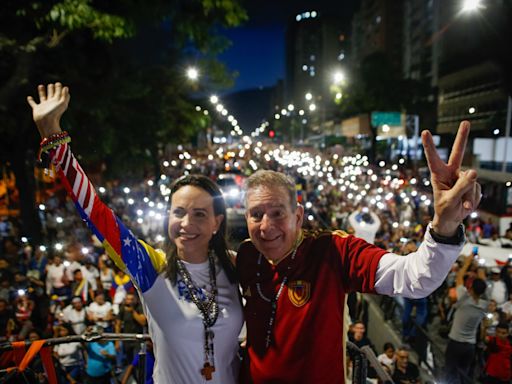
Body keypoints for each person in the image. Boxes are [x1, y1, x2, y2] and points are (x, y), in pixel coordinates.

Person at [27, 83, 243, 383]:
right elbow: (97, 215)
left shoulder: (237, 265)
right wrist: (53, 135)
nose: (186, 223)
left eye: (200, 214)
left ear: (217, 222)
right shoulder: (152, 267)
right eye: (178, 212)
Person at [236, 119, 480, 382]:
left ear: (298, 216)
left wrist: (445, 226)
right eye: (256, 214)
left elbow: (414, 278)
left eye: (277, 213)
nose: (266, 226)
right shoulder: (247, 256)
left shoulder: (334, 250)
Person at [444, 253, 488, 384]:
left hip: (455, 343)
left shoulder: (464, 299)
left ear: (471, 288)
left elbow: (459, 278)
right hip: (470, 346)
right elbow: (483, 284)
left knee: (449, 373)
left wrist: (468, 261)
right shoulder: (484, 305)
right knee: (464, 373)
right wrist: (480, 268)